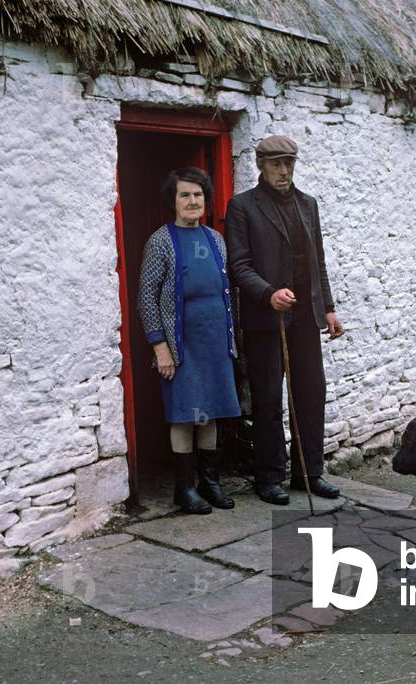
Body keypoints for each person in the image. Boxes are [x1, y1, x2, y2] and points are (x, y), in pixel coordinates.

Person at [226, 135, 345, 505]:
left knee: (311, 394)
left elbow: (317, 263)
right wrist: (267, 293)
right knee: (267, 399)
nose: (283, 171)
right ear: (261, 165)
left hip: (306, 318)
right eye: (276, 164)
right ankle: (269, 476)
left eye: (289, 164)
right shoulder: (242, 207)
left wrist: (327, 307)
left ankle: (308, 472)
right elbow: (239, 265)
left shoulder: (308, 205)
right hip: (266, 320)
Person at [138, 167, 241, 515]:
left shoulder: (215, 239)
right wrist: (160, 346)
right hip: (180, 345)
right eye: (185, 194)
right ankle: (184, 489)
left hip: (214, 342)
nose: (192, 201)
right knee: (184, 414)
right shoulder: (161, 240)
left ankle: (209, 484)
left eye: (198, 194)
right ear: (174, 200)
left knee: (208, 411)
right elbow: (146, 298)